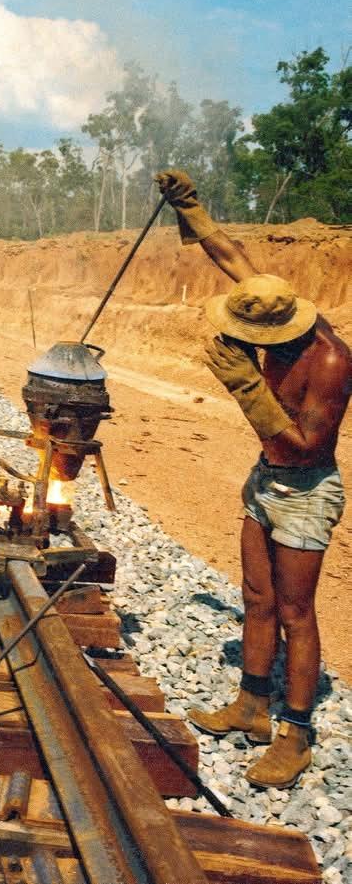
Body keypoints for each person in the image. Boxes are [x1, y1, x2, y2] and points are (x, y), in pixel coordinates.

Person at [157, 169, 351, 788]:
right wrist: (189, 206)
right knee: (256, 598)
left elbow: (302, 449)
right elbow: (229, 254)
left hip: (303, 490)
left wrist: (244, 385)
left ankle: (295, 733)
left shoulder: (330, 363)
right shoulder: (268, 296)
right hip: (265, 479)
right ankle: (251, 706)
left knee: (296, 610)